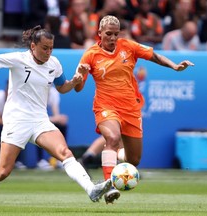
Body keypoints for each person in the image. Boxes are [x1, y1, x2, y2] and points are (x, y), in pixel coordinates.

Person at [0, 25, 112, 212]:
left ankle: (91, 189)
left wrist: (75, 82)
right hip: (16, 121)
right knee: (3, 172)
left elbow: (62, 88)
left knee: (65, 153)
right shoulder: (19, 59)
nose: (48, 52)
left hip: (40, 121)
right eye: (45, 48)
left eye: (51, 48)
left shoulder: (54, 64)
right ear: (33, 46)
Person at [74, 15, 194, 204]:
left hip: (130, 108)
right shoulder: (90, 54)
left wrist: (174, 66)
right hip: (105, 106)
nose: (113, 38)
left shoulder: (128, 46)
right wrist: (79, 77)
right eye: (108, 34)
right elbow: (78, 87)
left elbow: (154, 56)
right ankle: (108, 185)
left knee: (133, 160)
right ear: (99, 33)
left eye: (116, 34)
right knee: (112, 138)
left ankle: (117, 157)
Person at [0, 81, 27, 170]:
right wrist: (8, 125)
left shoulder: (21, 97)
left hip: (14, 123)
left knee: (22, 131)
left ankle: (17, 161)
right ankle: (0, 162)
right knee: (0, 130)